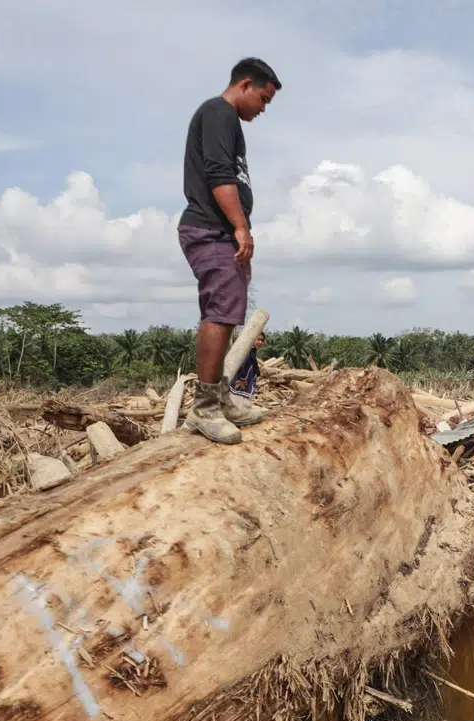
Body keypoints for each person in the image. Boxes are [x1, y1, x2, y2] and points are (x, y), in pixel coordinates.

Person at [177, 57, 281, 444]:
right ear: (246, 84)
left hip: (222, 231)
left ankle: (219, 396)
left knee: (228, 311)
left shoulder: (227, 119)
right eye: (264, 99)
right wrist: (239, 227)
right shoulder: (219, 112)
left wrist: (243, 234)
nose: (263, 108)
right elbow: (220, 176)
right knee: (219, 315)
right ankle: (204, 408)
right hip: (209, 227)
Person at [231, 332, 264, 398]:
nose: (260, 342)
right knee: (239, 401)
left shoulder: (252, 350)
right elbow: (245, 364)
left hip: (243, 382)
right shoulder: (248, 351)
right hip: (242, 384)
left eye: (262, 340)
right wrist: (243, 379)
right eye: (258, 339)